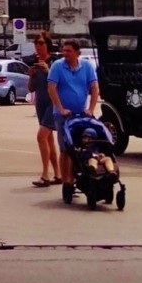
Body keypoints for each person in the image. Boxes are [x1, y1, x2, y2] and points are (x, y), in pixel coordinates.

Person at [48, 40, 100, 187]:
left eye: (69, 51)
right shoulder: (58, 66)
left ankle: (78, 174)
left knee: (81, 145)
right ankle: (66, 182)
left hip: (81, 114)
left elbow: (94, 87)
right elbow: (51, 88)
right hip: (63, 115)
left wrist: (90, 109)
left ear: (78, 53)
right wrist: (61, 108)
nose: (65, 54)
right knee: (65, 148)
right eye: (64, 50)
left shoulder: (87, 66)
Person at [28, 33, 58, 187]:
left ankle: (45, 174)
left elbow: (60, 83)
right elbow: (31, 88)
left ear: (47, 45)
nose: (38, 46)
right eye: (36, 43)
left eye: (41, 43)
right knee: (49, 139)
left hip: (53, 103)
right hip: (41, 103)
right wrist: (31, 76)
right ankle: (58, 174)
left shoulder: (55, 63)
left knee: (41, 136)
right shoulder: (35, 63)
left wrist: (48, 70)